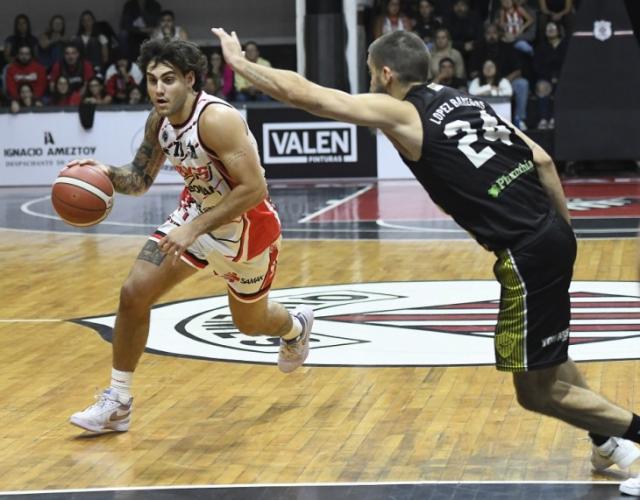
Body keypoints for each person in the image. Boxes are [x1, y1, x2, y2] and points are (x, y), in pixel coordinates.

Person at [213, 25, 640, 481]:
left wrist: (242, 65)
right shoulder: (466, 100)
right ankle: (605, 442)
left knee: (535, 391)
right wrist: (563, 235)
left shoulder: (404, 112)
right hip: (553, 232)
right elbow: (542, 160)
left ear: (386, 73)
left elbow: (312, 97)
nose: (370, 82)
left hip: (526, 252)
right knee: (548, 354)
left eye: (370, 73)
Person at [68, 39, 313, 433]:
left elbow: (254, 189)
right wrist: (104, 173)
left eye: (168, 80)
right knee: (134, 293)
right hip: (195, 214)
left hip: (246, 231)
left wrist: (193, 229)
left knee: (250, 323)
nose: (158, 89)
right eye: (152, 80)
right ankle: (118, 402)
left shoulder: (217, 120)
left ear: (190, 80)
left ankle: (296, 327)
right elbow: (139, 179)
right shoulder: (159, 121)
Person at [533, 21, 567, 129]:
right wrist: (550, 78)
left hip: (563, 77)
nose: (550, 30)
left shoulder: (566, 46)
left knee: (562, 86)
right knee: (542, 87)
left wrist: (558, 77)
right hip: (546, 78)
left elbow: (568, 64)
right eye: (548, 28)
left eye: (553, 28)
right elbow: (537, 66)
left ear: (559, 30)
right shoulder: (541, 47)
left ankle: (554, 118)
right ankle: (543, 119)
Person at [73, 10, 110, 77]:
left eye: (89, 20)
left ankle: (94, 70)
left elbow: (105, 58)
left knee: (93, 41)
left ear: (93, 21)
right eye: (84, 21)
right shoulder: (76, 38)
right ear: (81, 23)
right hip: (80, 67)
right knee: (77, 40)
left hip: (96, 66)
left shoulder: (101, 37)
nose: (86, 23)